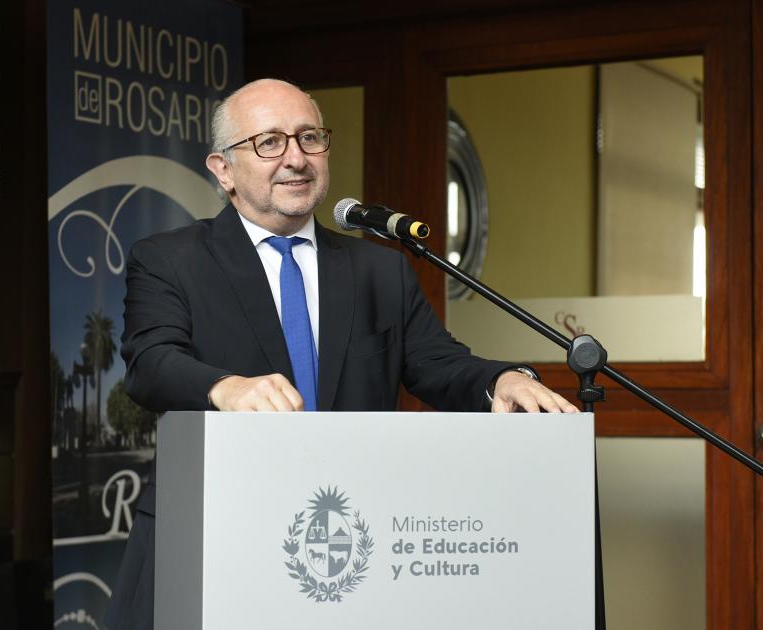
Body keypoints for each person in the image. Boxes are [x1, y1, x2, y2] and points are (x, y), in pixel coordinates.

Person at [104, 78, 577, 629]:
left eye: (310, 138)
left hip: (348, 544)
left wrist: (504, 381)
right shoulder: (169, 259)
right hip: (216, 532)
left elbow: (436, 364)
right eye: (270, 142)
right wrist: (226, 387)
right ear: (223, 169)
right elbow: (150, 364)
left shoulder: (378, 269)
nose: (296, 159)